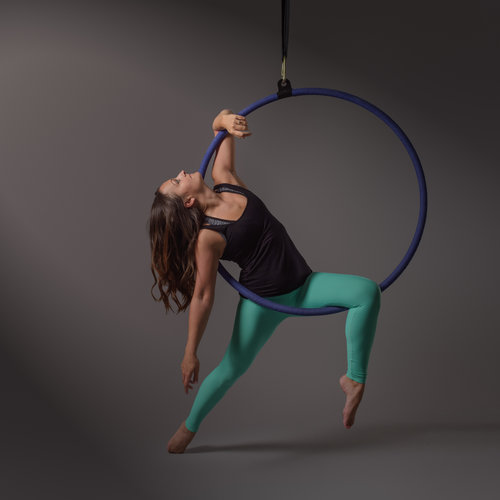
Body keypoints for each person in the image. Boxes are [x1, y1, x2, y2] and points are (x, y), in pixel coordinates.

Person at [148, 109, 381, 454]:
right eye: (177, 180)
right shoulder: (208, 238)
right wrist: (189, 352)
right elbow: (202, 296)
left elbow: (224, 123)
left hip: (303, 285)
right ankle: (189, 426)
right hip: (263, 302)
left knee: (367, 292)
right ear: (189, 201)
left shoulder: (224, 177)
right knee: (230, 368)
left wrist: (223, 122)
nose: (181, 172)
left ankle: (354, 380)